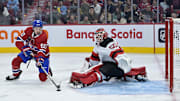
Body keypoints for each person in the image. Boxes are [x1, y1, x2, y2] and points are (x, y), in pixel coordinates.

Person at [70, 28, 147, 88]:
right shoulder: (97, 46)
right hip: (109, 66)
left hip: (116, 67)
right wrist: (89, 66)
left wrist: (124, 67)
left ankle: (86, 81)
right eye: (97, 36)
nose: (98, 38)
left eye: (99, 36)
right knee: (100, 68)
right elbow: (94, 61)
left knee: (103, 70)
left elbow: (120, 56)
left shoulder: (110, 44)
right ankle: (133, 74)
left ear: (104, 36)